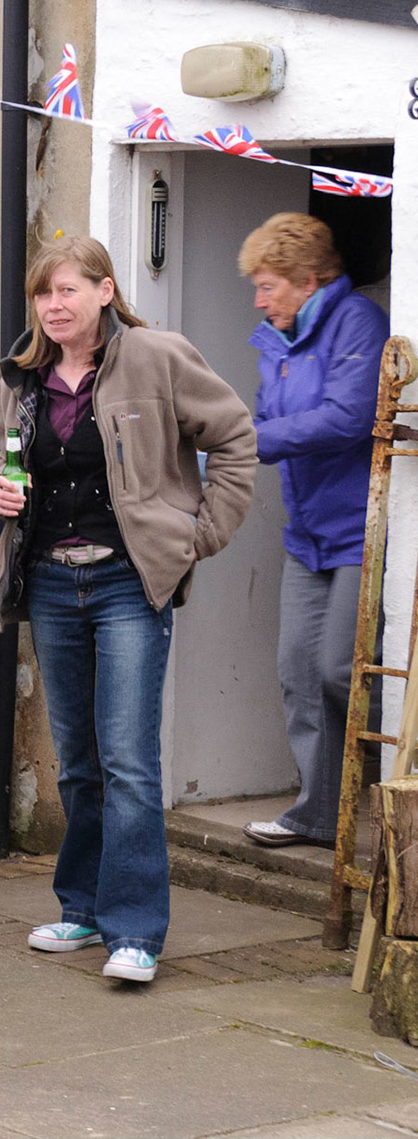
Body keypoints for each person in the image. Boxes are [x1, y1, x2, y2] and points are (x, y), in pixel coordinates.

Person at [0, 235, 255, 986]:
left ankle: (135, 932)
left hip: (127, 584)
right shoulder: (24, 378)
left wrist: (200, 537)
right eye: (43, 294)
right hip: (49, 581)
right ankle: (83, 906)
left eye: (67, 290)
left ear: (106, 291)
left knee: (129, 763)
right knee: (78, 763)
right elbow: (11, 466)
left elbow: (235, 437)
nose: (53, 305)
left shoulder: (157, 356)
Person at [237, 214, 388, 849]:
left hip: (359, 528)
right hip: (307, 532)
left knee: (337, 670)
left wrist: (245, 441)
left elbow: (348, 418)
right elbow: (267, 423)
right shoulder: (278, 341)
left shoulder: (357, 320)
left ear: (309, 280)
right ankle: (319, 815)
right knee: (298, 670)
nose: (258, 298)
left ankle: (397, 777)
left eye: (268, 285)